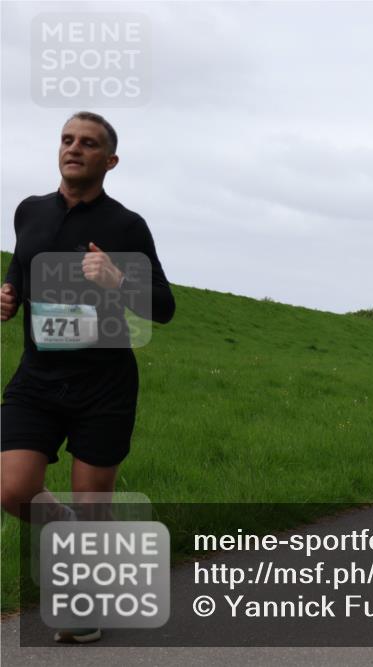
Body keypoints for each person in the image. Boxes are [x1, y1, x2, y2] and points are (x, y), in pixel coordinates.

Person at [0, 112, 175, 644]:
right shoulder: (28, 211)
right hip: (38, 378)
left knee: (93, 501)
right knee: (14, 488)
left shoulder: (126, 226)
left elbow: (164, 307)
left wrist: (120, 279)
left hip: (104, 384)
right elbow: (20, 272)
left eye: (89, 143)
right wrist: (8, 297)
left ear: (109, 160)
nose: (74, 148)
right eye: (67, 139)